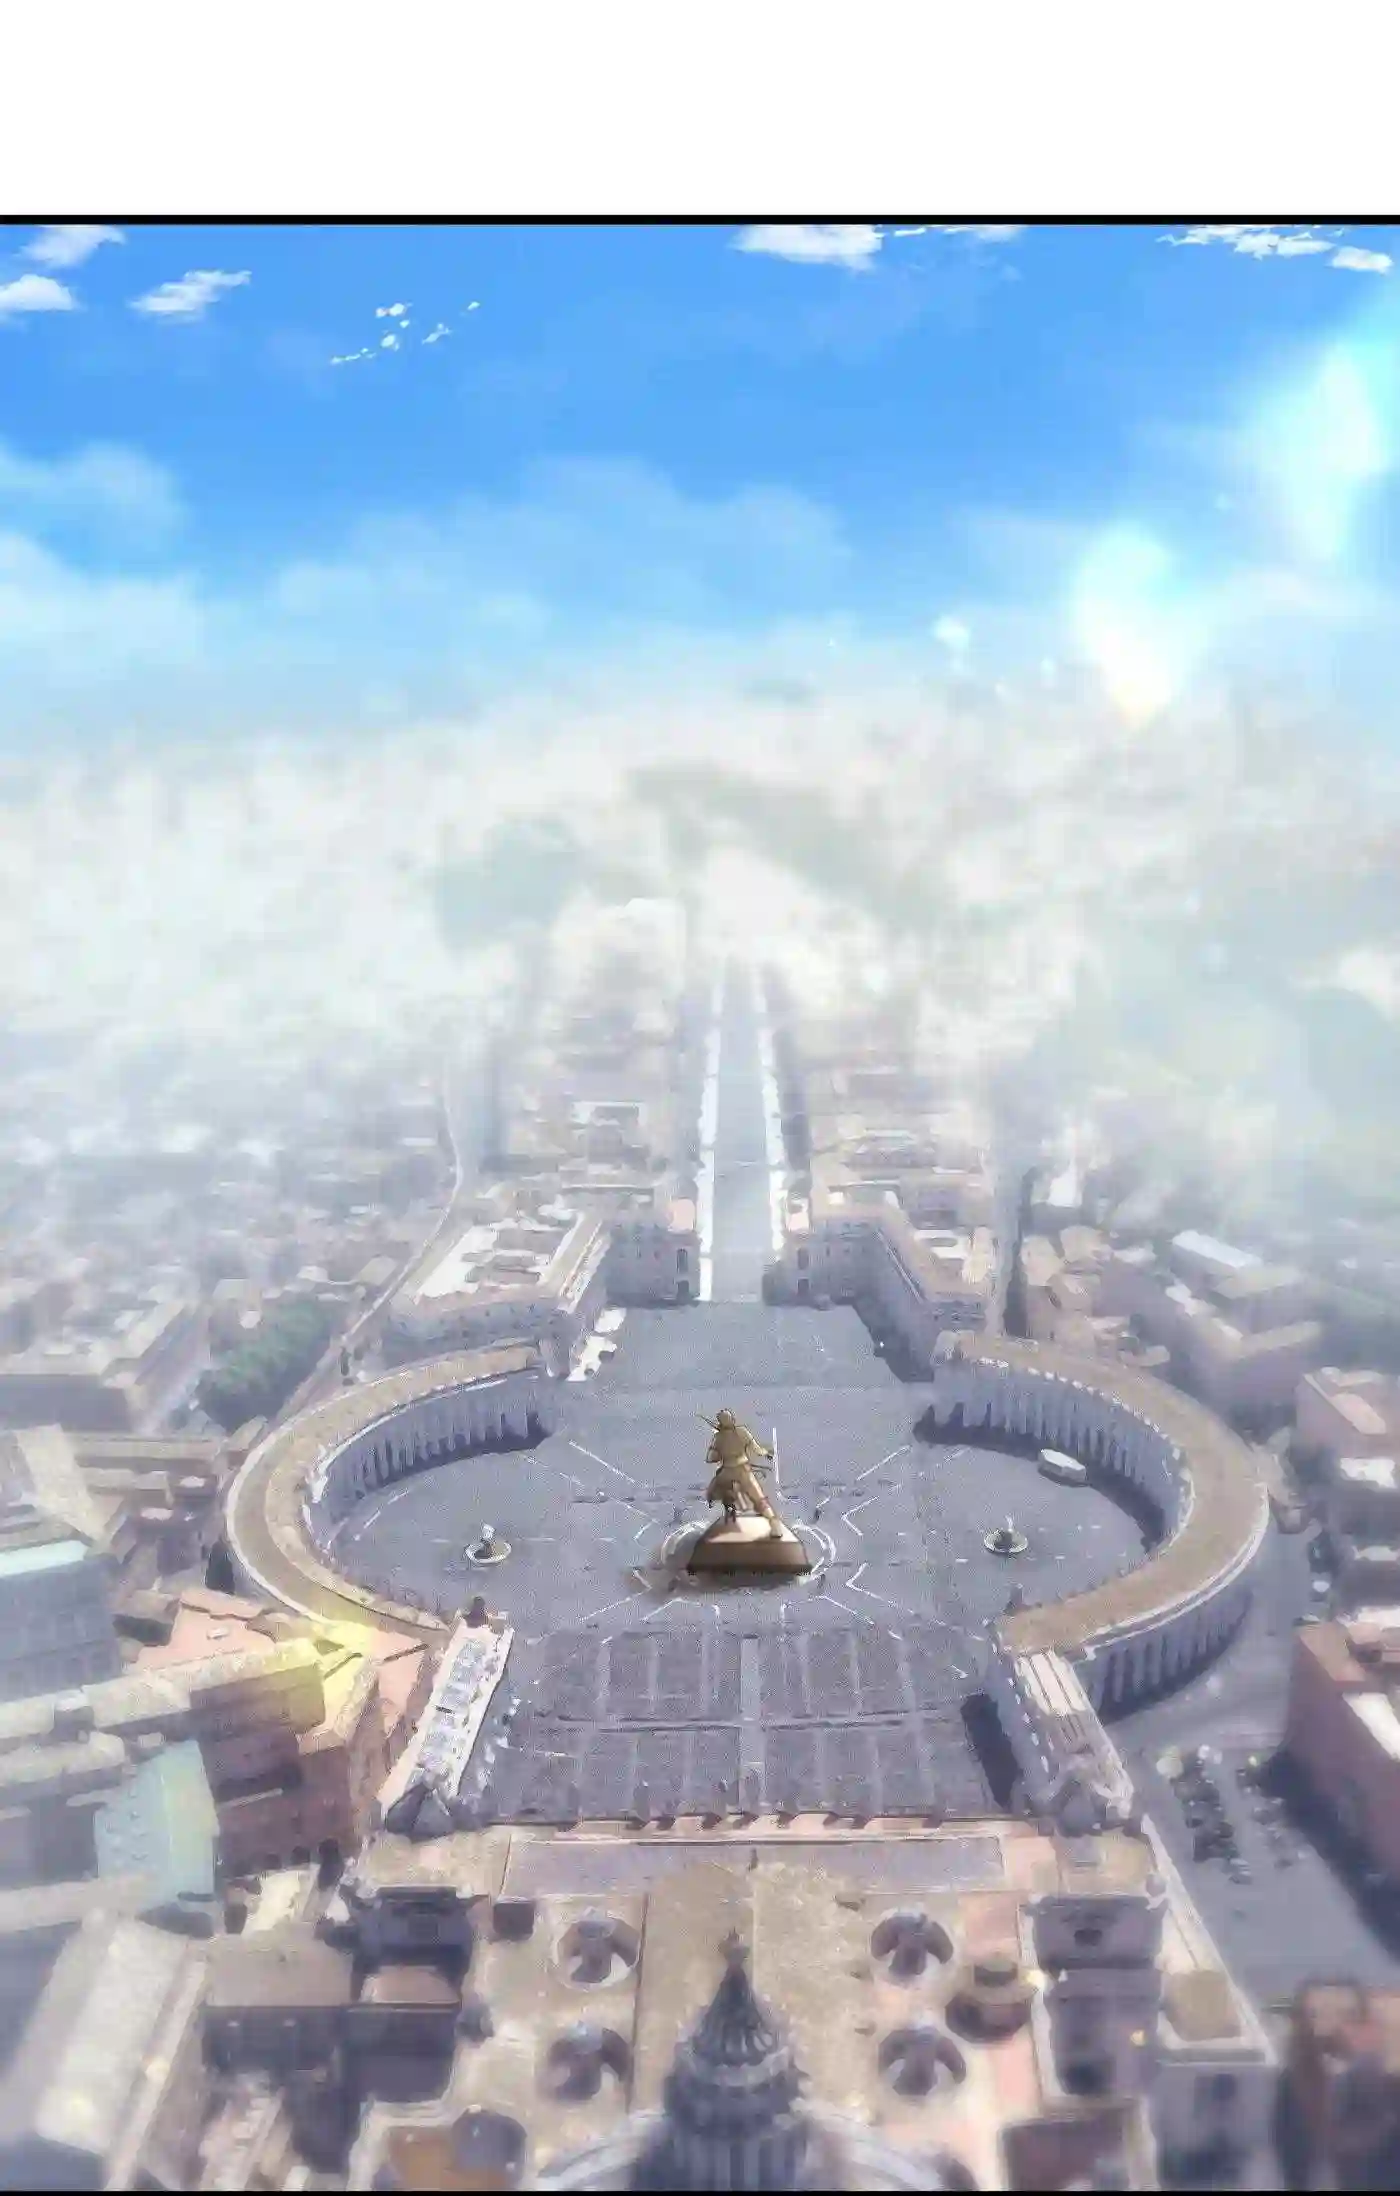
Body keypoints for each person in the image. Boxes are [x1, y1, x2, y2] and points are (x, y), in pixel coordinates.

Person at [705, 1408, 783, 1537]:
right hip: (744, 1470)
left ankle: (726, 1505)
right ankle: (774, 1524)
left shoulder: (718, 1437)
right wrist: (766, 1453)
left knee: (714, 1489)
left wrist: (719, 1447)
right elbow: (757, 1450)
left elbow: (710, 1458)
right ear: (732, 1420)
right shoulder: (742, 1431)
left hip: (727, 1472)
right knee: (759, 1499)